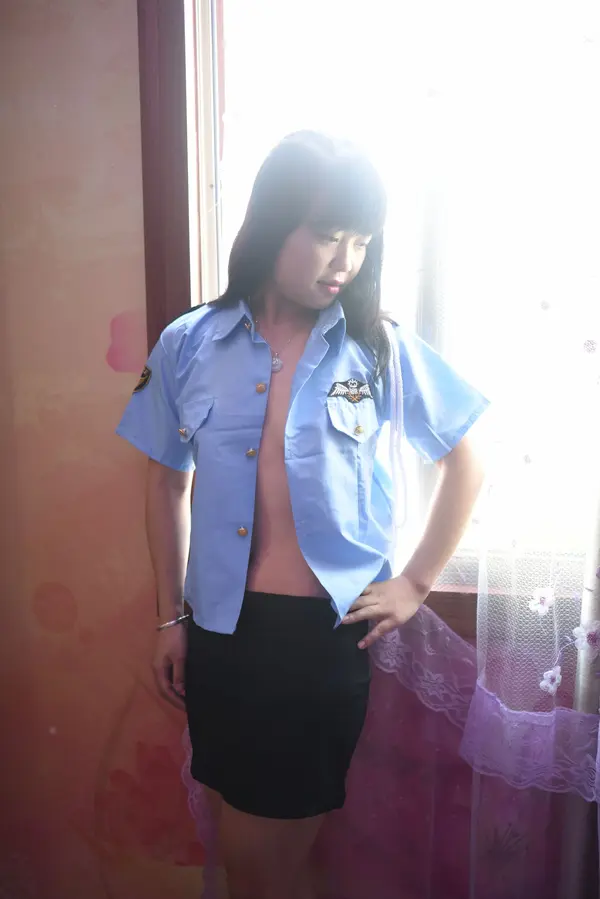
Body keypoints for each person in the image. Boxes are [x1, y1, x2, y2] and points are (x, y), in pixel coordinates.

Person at [116, 131, 487, 899]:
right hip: (219, 633)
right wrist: (168, 619)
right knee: (249, 850)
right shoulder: (189, 342)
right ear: (273, 221)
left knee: (262, 860)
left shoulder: (376, 347)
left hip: (317, 642)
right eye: (326, 234)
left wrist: (416, 582)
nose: (344, 259)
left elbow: (466, 462)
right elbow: (164, 485)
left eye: (361, 240)